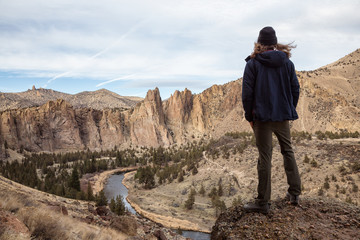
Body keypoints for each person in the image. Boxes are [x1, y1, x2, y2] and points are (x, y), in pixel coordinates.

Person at [242, 26, 301, 214]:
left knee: (265, 157)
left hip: (262, 118)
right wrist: (289, 108)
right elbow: (295, 89)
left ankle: (263, 202)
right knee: (288, 151)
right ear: (275, 43)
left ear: (260, 43)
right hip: (282, 116)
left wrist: (249, 117)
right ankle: (295, 194)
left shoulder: (252, 64)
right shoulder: (287, 63)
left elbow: (247, 94)